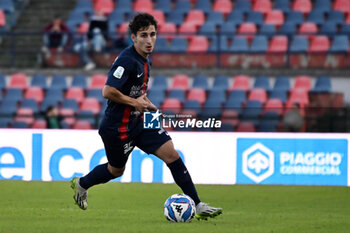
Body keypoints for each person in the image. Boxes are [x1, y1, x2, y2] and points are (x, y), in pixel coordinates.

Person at [70, 13, 222, 220]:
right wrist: (135, 103)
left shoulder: (144, 60)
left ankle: (197, 204)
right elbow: (107, 91)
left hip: (138, 121)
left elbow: (135, 91)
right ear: (133, 37)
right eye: (143, 35)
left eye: (152, 34)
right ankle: (82, 184)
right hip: (117, 127)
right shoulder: (127, 60)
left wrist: (146, 104)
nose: (149, 40)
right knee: (115, 170)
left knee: (172, 155)